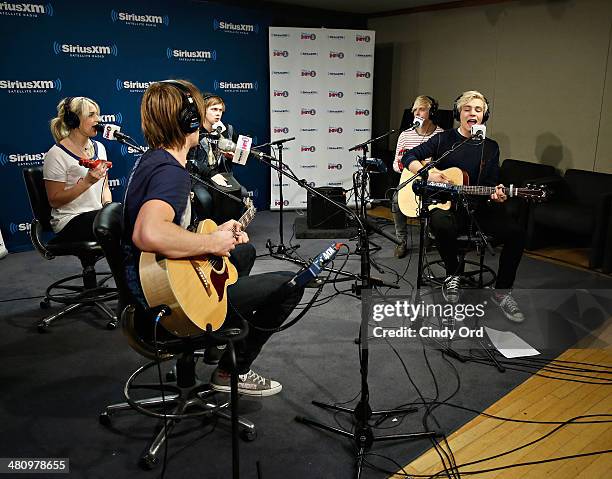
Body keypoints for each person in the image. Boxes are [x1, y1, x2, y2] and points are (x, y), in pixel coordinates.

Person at [122, 79, 304, 396]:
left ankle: (218, 331)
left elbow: (164, 228)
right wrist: (210, 243)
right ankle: (231, 371)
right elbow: (148, 232)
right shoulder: (170, 172)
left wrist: (216, 233)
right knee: (290, 284)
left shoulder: (155, 160)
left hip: (148, 293)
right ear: (190, 121)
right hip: (167, 309)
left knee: (242, 255)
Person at [402, 90, 525, 322]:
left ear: (484, 116)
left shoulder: (490, 147)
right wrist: (429, 174)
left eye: (478, 110)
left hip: (478, 206)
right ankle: (453, 273)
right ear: (459, 113)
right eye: (468, 109)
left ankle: (502, 293)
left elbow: (490, 184)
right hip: (445, 205)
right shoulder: (444, 139)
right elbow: (409, 156)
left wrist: (496, 194)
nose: (473, 113)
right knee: (440, 222)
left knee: (516, 233)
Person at [43, 96, 111, 242]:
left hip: (97, 216)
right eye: (91, 115)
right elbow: (55, 201)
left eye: (97, 114)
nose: (98, 119)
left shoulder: (100, 148)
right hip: (69, 221)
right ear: (73, 120)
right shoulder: (56, 154)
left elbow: (105, 187)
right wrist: (87, 182)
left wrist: (108, 209)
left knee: (125, 216)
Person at [392, 95, 443, 258]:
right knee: (395, 200)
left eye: (421, 109)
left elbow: (444, 166)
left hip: (431, 183)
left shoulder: (441, 135)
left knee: (433, 203)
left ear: (432, 112)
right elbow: (396, 165)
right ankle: (401, 241)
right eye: (415, 110)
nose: (417, 113)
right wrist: (411, 165)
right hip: (408, 181)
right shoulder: (405, 135)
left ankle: (429, 235)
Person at [187, 93, 246, 224]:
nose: (218, 114)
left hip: (223, 176)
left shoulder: (228, 131)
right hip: (200, 178)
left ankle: (230, 228)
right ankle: (205, 229)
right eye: (214, 109)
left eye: (220, 110)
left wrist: (232, 156)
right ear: (203, 110)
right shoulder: (194, 131)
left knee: (242, 193)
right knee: (205, 199)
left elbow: (242, 157)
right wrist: (211, 174)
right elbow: (190, 160)